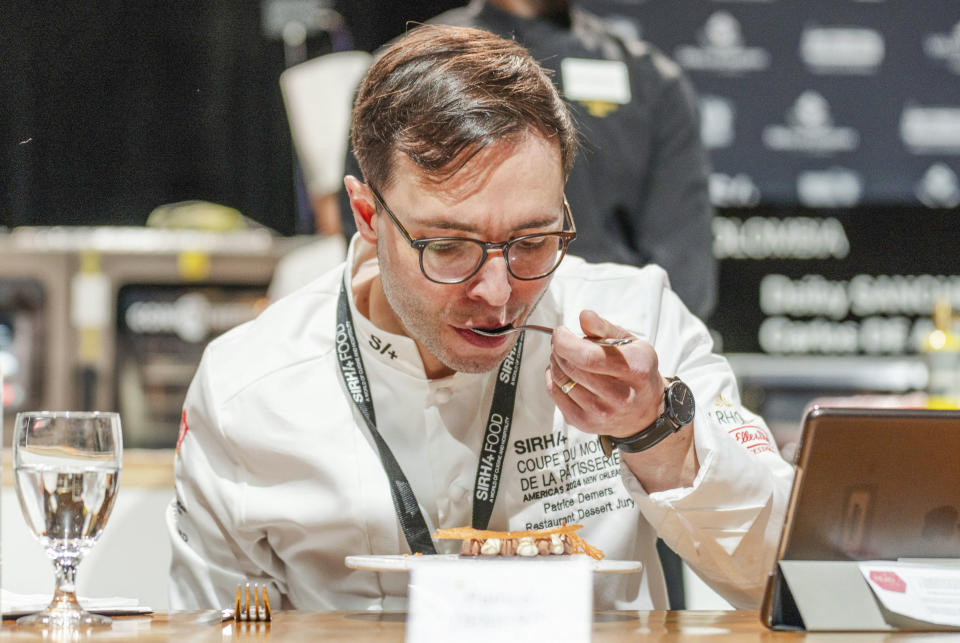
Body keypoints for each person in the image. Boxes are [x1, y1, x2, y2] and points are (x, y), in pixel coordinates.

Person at [168, 25, 792, 612]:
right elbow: (210, 623)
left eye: (532, 240)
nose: (497, 293)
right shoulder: (247, 389)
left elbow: (783, 575)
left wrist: (659, 433)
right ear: (366, 215)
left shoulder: (639, 323)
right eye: (448, 247)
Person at [337, 0, 717, 321]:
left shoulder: (651, 81)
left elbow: (684, 267)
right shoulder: (407, 70)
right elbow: (373, 250)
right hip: (448, 335)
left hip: (599, 338)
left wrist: (637, 353)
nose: (498, 287)